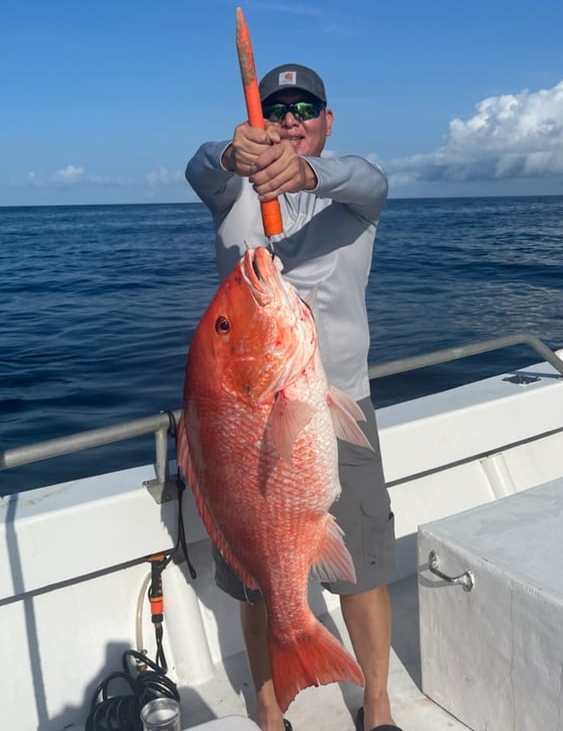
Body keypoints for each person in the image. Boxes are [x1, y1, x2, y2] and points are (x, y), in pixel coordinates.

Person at [185, 64, 400, 731]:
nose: (290, 119)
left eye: (306, 107)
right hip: (246, 417)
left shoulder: (350, 200)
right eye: (277, 109)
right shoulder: (233, 195)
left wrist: (309, 176)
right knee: (259, 574)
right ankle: (269, 705)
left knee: (362, 569)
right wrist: (230, 155)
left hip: (340, 408)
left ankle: (380, 707)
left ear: (327, 121)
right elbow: (198, 169)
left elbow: (373, 180)